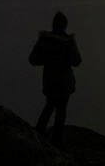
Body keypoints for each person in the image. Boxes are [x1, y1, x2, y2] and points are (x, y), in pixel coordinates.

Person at [28, 11, 82, 145]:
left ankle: (38, 133)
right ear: (65, 25)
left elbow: (33, 59)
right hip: (64, 83)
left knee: (49, 106)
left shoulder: (44, 40)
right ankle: (56, 142)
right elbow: (76, 61)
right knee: (61, 112)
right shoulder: (69, 42)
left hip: (49, 82)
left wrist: (47, 61)